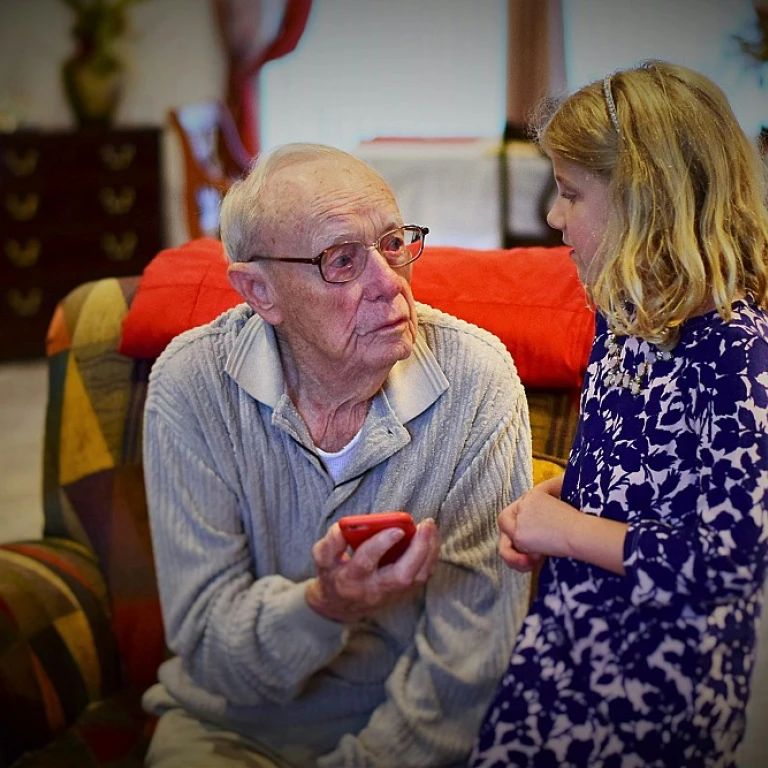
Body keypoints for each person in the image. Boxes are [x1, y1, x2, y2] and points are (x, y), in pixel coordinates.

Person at [140, 143, 533, 768]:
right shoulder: (191, 382)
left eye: (395, 244)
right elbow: (209, 644)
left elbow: (471, 660)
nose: (389, 283)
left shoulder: (477, 380)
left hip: (406, 738)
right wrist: (324, 607)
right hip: (228, 730)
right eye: (342, 260)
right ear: (260, 292)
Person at [471, 60, 768, 768]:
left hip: (659, 691)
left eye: (570, 193)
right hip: (562, 648)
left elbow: (730, 567)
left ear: (647, 202)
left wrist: (570, 532)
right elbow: (620, 479)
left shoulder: (740, 358)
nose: (552, 216)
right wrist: (553, 504)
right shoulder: (621, 318)